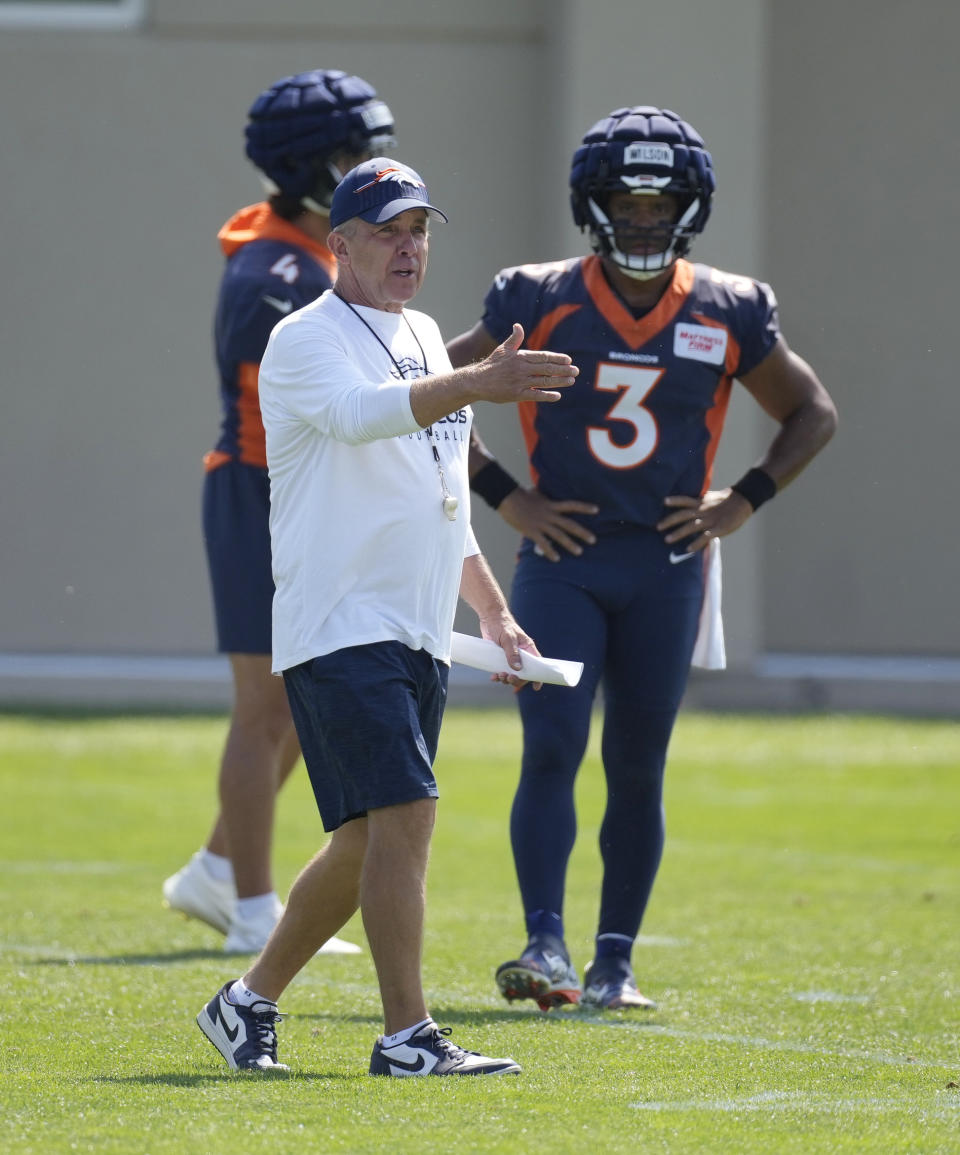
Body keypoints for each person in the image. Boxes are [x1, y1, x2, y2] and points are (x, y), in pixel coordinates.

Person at [448, 105, 838, 1011]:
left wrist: (743, 499)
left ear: (691, 210)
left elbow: (812, 412)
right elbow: (440, 397)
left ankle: (613, 964)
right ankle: (544, 945)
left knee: (638, 761)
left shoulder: (728, 306)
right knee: (551, 747)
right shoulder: (536, 294)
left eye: (663, 205)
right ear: (594, 203)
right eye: (628, 200)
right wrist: (511, 496)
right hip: (565, 563)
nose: (644, 220)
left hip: (667, 566)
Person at [195, 158, 579, 1076]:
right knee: (408, 812)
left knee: (367, 836)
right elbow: (362, 416)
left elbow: (441, 486)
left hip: (411, 627)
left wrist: (493, 610)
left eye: (420, 231)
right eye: (387, 230)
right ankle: (408, 1035)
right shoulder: (303, 337)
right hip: (340, 623)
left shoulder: (422, 334)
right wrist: (476, 382)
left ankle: (244, 1003)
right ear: (341, 246)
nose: (409, 247)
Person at [162, 70, 398, 954]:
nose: (368, 169)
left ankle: (220, 870)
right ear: (304, 165)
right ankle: (253, 909)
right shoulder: (272, 270)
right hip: (263, 487)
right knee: (265, 708)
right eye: (350, 155)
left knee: (303, 702)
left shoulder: (307, 252)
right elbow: (342, 397)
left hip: (305, 490)